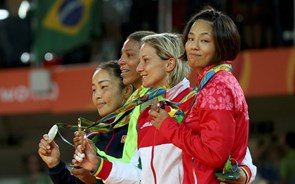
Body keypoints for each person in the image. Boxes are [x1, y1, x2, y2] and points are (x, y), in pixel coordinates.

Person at [73, 32, 255, 183]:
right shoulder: (147, 114)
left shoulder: (197, 102)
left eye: (145, 60)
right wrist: (98, 165)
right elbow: (139, 176)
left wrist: (243, 175)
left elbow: (239, 155)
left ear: (169, 64)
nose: (140, 68)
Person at [149, 6, 252, 183]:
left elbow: (214, 154)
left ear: (222, 44)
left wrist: (168, 126)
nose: (193, 46)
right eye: (190, 38)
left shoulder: (217, 88)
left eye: (204, 41)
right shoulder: (216, 83)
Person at [38, 60, 133, 184]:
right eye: (94, 90)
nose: (97, 95)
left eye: (104, 87)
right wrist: (55, 165)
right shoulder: (93, 138)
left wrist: (96, 179)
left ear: (126, 90)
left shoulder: (138, 128)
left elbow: (141, 177)